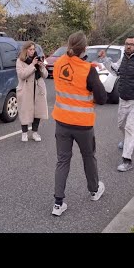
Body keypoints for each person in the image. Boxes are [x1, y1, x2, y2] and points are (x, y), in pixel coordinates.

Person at [51, 31, 108, 216]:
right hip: (83, 124)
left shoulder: (59, 63)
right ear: (85, 48)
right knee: (88, 156)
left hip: (61, 122)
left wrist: (87, 64)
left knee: (62, 160)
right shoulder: (88, 70)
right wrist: (93, 71)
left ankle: (58, 203)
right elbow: (102, 98)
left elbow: (71, 72)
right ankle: (94, 190)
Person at [96, 35, 134, 172]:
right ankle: (127, 142)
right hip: (123, 99)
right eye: (126, 44)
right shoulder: (123, 58)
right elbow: (115, 70)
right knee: (121, 125)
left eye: (131, 44)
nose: (128, 46)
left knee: (131, 127)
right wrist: (105, 59)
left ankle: (127, 160)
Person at [16, 41, 48, 142]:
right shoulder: (20, 61)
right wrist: (33, 65)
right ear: (25, 50)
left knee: (37, 111)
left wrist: (41, 66)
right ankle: (24, 133)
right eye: (30, 49)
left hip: (38, 88)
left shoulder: (37, 59)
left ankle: (35, 132)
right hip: (26, 89)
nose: (32, 51)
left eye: (33, 49)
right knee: (25, 111)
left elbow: (46, 75)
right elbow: (22, 74)